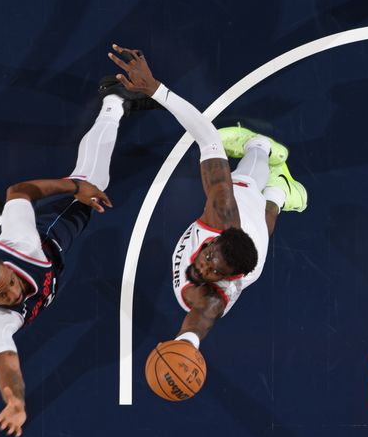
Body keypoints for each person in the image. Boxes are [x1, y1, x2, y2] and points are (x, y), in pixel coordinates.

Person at [0, 65, 161, 437]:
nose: (13, 293)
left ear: (6, 267)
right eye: (2, 294)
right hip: (12, 236)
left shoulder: (22, 244)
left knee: (93, 180)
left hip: (46, 239)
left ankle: (113, 100)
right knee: (5, 223)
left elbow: (19, 192)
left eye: (8, 283)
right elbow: (7, 364)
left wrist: (74, 187)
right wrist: (15, 400)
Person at [106, 44, 307, 358]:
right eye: (209, 256)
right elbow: (209, 138)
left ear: (226, 277)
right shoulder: (223, 212)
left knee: (266, 221)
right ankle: (263, 150)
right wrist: (156, 89)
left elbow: (199, 321)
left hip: (254, 252)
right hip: (245, 212)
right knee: (247, 185)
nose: (202, 265)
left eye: (213, 269)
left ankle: (280, 191)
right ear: (217, 239)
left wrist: (185, 346)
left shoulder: (214, 295)